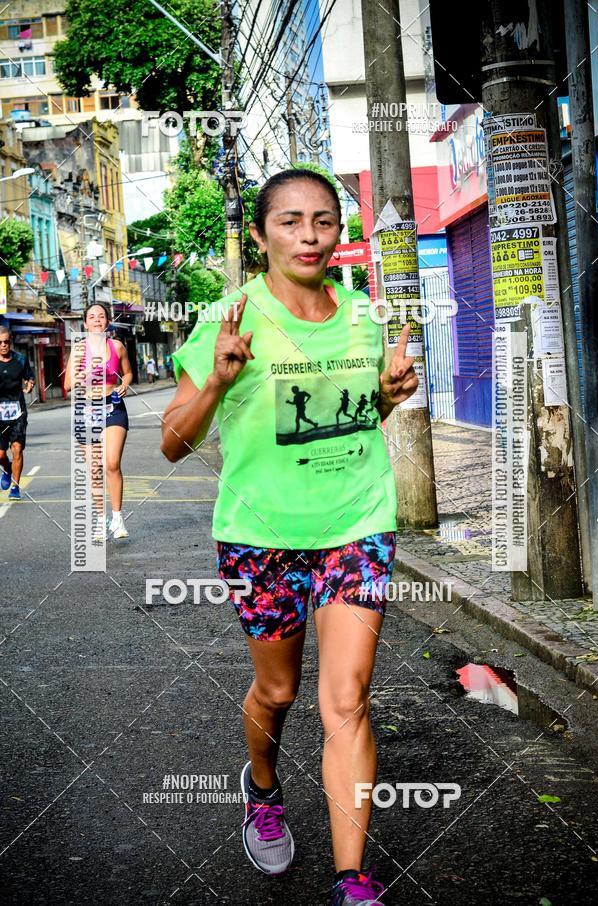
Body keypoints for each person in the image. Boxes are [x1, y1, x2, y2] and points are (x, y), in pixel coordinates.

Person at [160, 168, 418, 905]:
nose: (310, 236)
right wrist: (213, 382)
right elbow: (172, 445)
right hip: (260, 536)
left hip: (356, 523)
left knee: (347, 698)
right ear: (260, 233)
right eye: (291, 221)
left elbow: (355, 423)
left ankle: (352, 882)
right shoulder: (228, 318)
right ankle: (264, 789)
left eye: (325, 221)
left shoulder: (365, 318)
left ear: (342, 230)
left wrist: (387, 400)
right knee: (278, 690)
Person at [64, 302, 133, 541]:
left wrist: (124, 384)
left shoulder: (117, 346)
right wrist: (81, 376)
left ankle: (117, 518)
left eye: (101, 316)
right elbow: (67, 385)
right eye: (92, 316)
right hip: (86, 410)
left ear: (107, 321)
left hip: (113, 407)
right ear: (85, 323)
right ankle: (100, 519)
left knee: (111, 463)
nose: (96, 320)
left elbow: (128, 372)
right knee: (95, 469)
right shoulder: (79, 350)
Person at [0, 326, 35, 500]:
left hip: (17, 412)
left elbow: (29, 377)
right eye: (0, 343)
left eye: (6, 342)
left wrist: (30, 384)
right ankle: (6, 469)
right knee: (0, 455)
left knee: (17, 449)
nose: (4, 345)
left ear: (11, 341)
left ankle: (15, 486)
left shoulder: (20, 359)